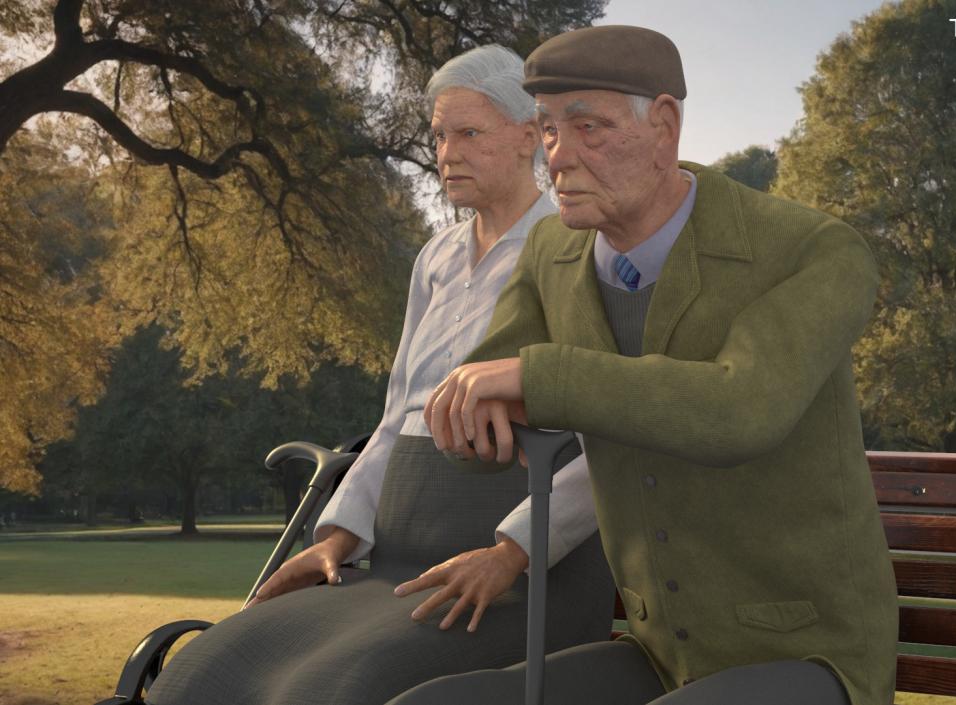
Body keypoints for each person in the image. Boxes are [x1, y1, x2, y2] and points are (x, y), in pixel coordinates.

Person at [400, 25, 898, 705]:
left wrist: (538, 380)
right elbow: (491, 404)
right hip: (658, 649)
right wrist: (470, 425)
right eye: (547, 129)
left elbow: (740, 410)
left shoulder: (812, 251)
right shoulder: (551, 253)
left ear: (663, 125)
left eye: (587, 127)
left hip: (807, 653)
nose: (558, 157)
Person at [144, 45, 614, 705]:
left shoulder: (582, 250)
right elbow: (395, 416)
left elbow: (611, 440)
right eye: (440, 135)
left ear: (529, 137)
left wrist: (511, 551)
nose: (446, 152)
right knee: (204, 667)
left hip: (522, 578)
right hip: (391, 564)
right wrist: (335, 537)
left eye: (469, 133)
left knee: (329, 688)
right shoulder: (435, 259)